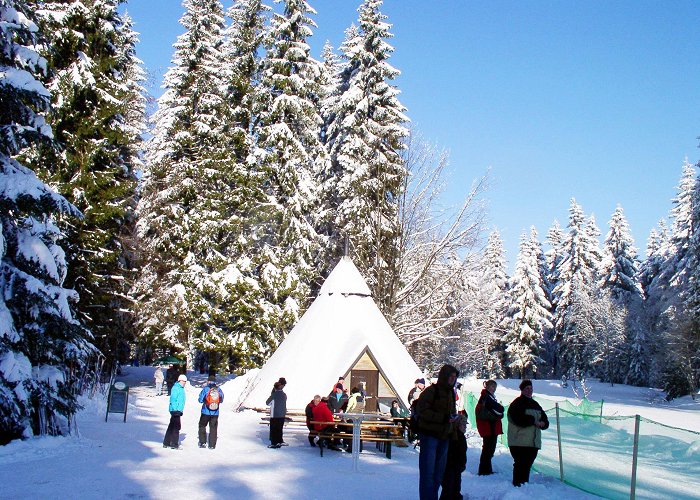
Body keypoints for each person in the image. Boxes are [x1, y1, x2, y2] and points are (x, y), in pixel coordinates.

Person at [417, 364, 460, 500]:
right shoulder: (431, 391)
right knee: (428, 474)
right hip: (430, 436)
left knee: (438, 475)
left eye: (455, 377)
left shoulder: (451, 393)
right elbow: (422, 411)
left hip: (444, 437)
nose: (453, 379)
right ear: (445, 376)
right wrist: (443, 418)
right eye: (451, 376)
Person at [507, 379, 549, 487]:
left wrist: (544, 423)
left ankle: (524, 486)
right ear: (522, 390)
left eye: (531, 388)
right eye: (527, 388)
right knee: (520, 464)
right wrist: (533, 421)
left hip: (533, 442)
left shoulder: (535, 404)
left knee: (527, 465)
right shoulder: (516, 404)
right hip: (518, 441)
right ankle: (517, 487)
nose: (529, 391)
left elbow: (545, 419)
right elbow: (517, 419)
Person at [475, 379, 504, 475]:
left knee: (489, 448)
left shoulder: (487, 396)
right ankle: (484, 470)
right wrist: (498, 415)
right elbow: (499, 409)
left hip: (490, 427)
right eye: (492, 387)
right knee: (488, 449)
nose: (494, 389)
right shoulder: (486, 397)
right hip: (489, 427)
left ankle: (486, 469)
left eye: (495, 387)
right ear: (487, 387)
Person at [440, 414, 468, 500]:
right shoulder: (452, 436)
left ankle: (456, 497)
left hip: (457, 466)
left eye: (465, 425)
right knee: (448, 487)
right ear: (457, 424)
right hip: (449, 466)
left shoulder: (461, 436)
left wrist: (462, 464)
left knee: (456, 485)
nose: (465, 427)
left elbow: (462, 452)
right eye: (463, 424)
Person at [197, 374, 224, 449]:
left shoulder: (206, 389)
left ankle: (202, 442)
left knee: (202, 425)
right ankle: (212, 445)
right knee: (213, 428)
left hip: (205, 412)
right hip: (215, 412)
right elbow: (221, 400)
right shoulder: (218, 389)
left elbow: (200, 400)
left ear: (208, 381)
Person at [163, 374, 187, 449]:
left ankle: (166, 442)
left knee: (171, 426)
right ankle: (174, 444)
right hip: (175, 410)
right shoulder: (176, 388)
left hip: (178, 410)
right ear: (179, 380)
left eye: (185, 382)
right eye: (183, 381)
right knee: (176, 427)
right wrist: (175, 409)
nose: (184, 383)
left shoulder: (181, 388)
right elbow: (173, 399)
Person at [266, 378, 288, 448]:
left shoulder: (274, 394)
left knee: (274, 429)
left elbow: (267, 403)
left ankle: (274, 443)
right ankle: (280, 441)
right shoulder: (284, 394)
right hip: (282, 414)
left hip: (274, 414)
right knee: (279, 429)